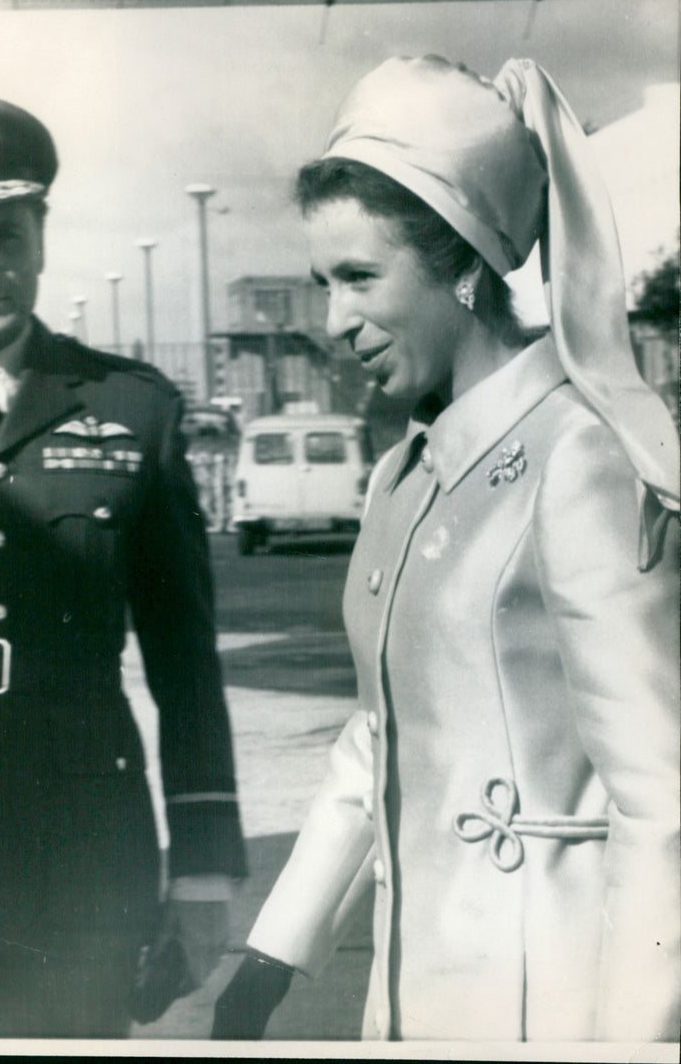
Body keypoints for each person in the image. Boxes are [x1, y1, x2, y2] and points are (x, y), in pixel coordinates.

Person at [212, 56, 680, 1043]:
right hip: (408, 993)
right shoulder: (398, 477)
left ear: (463, 265)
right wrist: (272, 951)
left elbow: (663, 802)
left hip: (549, 1003)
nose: (333, 321)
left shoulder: (580, 458)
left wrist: (634, 1040)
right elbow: (377, 738)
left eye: (357, 277)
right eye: (319, 282)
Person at [0, 99, 246, 1038]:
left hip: (82, 848)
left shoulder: (130, 410)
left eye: (6, 233)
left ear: (42, 237)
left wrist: (205, 864)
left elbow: (183, 656)